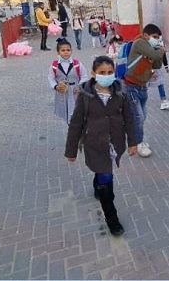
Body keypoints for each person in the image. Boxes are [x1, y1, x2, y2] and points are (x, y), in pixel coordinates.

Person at [65, 56, 137, 236]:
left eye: (110, 72)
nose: (106, 76)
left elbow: (129, 118)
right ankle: (112, 219)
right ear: (93, 74)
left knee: (103, 173)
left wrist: (133, 142)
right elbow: (76, 123)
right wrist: (71, 151)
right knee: (106, 177)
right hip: (94, 144)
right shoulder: (85, 95)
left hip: (114, 143)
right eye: (102, 73)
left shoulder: (120, 93)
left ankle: (98, 183)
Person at [123, 24, 166, 157]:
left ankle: (136, 138)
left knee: (142, 116)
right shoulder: (140, 42)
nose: (156, 40)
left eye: (158, 38)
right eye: (155, 37)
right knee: (139, 117)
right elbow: (153, 55)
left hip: (142, 87)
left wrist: (159, 51)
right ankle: (138, 143)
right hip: (131, 87)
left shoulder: (151, 47)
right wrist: (160, 51)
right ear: (146, 35)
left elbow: (157, 64)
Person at [49, 38, 88, 123]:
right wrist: (56, 86)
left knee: (76, 112)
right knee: (65, 112)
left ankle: (74, 127)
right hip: (62, 92)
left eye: (68, 50)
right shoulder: (54, 65)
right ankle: (69, 125)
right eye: (63, 50)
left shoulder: (77, 64)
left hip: (75, 92)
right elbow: (51, 78)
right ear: (58, 52)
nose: (66, 52)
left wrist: (80, 86)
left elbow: (84, 76)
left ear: (71, 51)